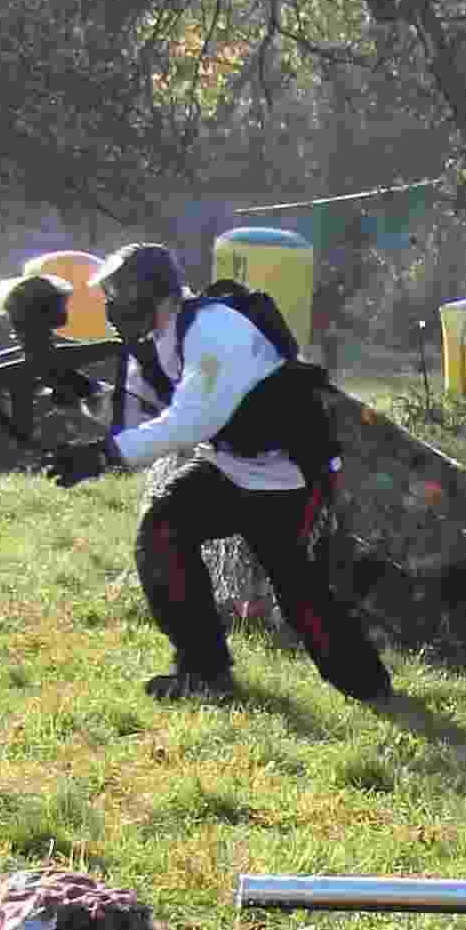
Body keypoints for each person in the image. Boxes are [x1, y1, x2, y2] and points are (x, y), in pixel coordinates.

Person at [37, 241, 394, 708]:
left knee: (300, 595)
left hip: (285, 476)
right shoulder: (152, 340)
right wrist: (84, 392)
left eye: (122, 292)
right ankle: (204, 671)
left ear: (154, 292)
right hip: (228, 466)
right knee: (161, 533)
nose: (114, 304)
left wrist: (102, 457)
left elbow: (189, 422)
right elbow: (138, 416)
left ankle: (371, 688)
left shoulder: (213, 328)